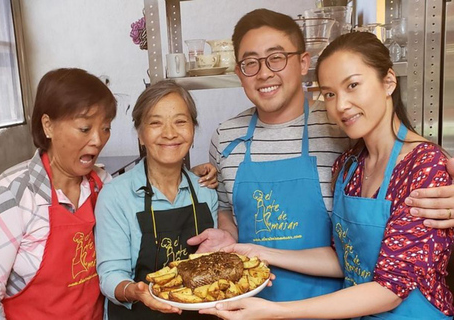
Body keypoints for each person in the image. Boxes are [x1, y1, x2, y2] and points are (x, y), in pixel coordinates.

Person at [188, 8, 454, 303]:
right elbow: (346, 255)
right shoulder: (227, 138)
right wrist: (234, 241)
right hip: (254, 301)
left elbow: (392, 283)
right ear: (238, 72)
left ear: (303, 62)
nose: (342, 105)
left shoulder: (346, 133)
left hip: (339, 303)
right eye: (250, 63)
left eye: (276, 58)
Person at [0, 68, 117, 319]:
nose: (98, 139)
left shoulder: (103, 184)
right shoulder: (13, 196)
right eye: (85, 128)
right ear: (48, 125)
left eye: (105, 128)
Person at [94, 80, 219, 319]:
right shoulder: (116, 196)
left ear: (193, 130)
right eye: (155, 123)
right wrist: (136, 291)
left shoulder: (205, 191)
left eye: (180, 121)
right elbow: (110, 275)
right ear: (141, 134)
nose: (170, 133)